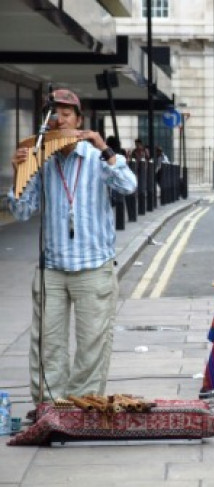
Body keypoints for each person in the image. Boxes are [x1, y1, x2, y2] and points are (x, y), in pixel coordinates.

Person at [7, 88, 137, 404]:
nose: (60, 119)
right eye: (54, 114)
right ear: (47, 123)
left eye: (67, 114)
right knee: (47, 344)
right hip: (52, 267)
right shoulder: (42, 159)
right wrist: (18, 174)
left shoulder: (97, 159)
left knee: (92, 343)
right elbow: (22, 211)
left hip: (93, 265)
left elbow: (129, 186)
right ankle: (50, 407)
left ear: (79, 120)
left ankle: (82, 408)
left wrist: (104, 148)